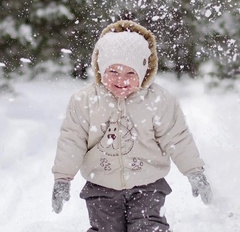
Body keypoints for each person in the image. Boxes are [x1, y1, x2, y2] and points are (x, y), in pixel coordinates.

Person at [51, 20, 212, 232]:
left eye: (130, 73)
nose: (121, 80)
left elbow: (177, 137)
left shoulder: (159, 100)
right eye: (113, 72)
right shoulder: (85, 101)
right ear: (100, 68)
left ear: (144, 71)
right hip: (101, 186)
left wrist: (194, 171)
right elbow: (72, 140)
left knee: (149, 228)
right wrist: (63, 178)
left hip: (148, 185)